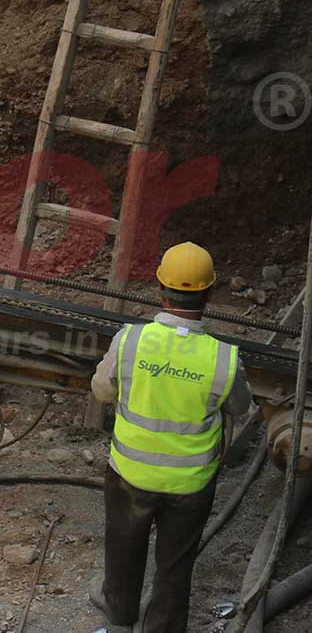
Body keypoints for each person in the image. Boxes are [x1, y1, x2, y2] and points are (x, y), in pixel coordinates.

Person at [89, 241, 254, 633]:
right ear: (209, 294)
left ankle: (120, 619)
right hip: (190, 485)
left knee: (124, 550)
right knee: (175, 566)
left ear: (160, 290)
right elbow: (240, 408)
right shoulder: (223, 359)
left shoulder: (130, 341)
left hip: (131, 475)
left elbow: (102, 390)